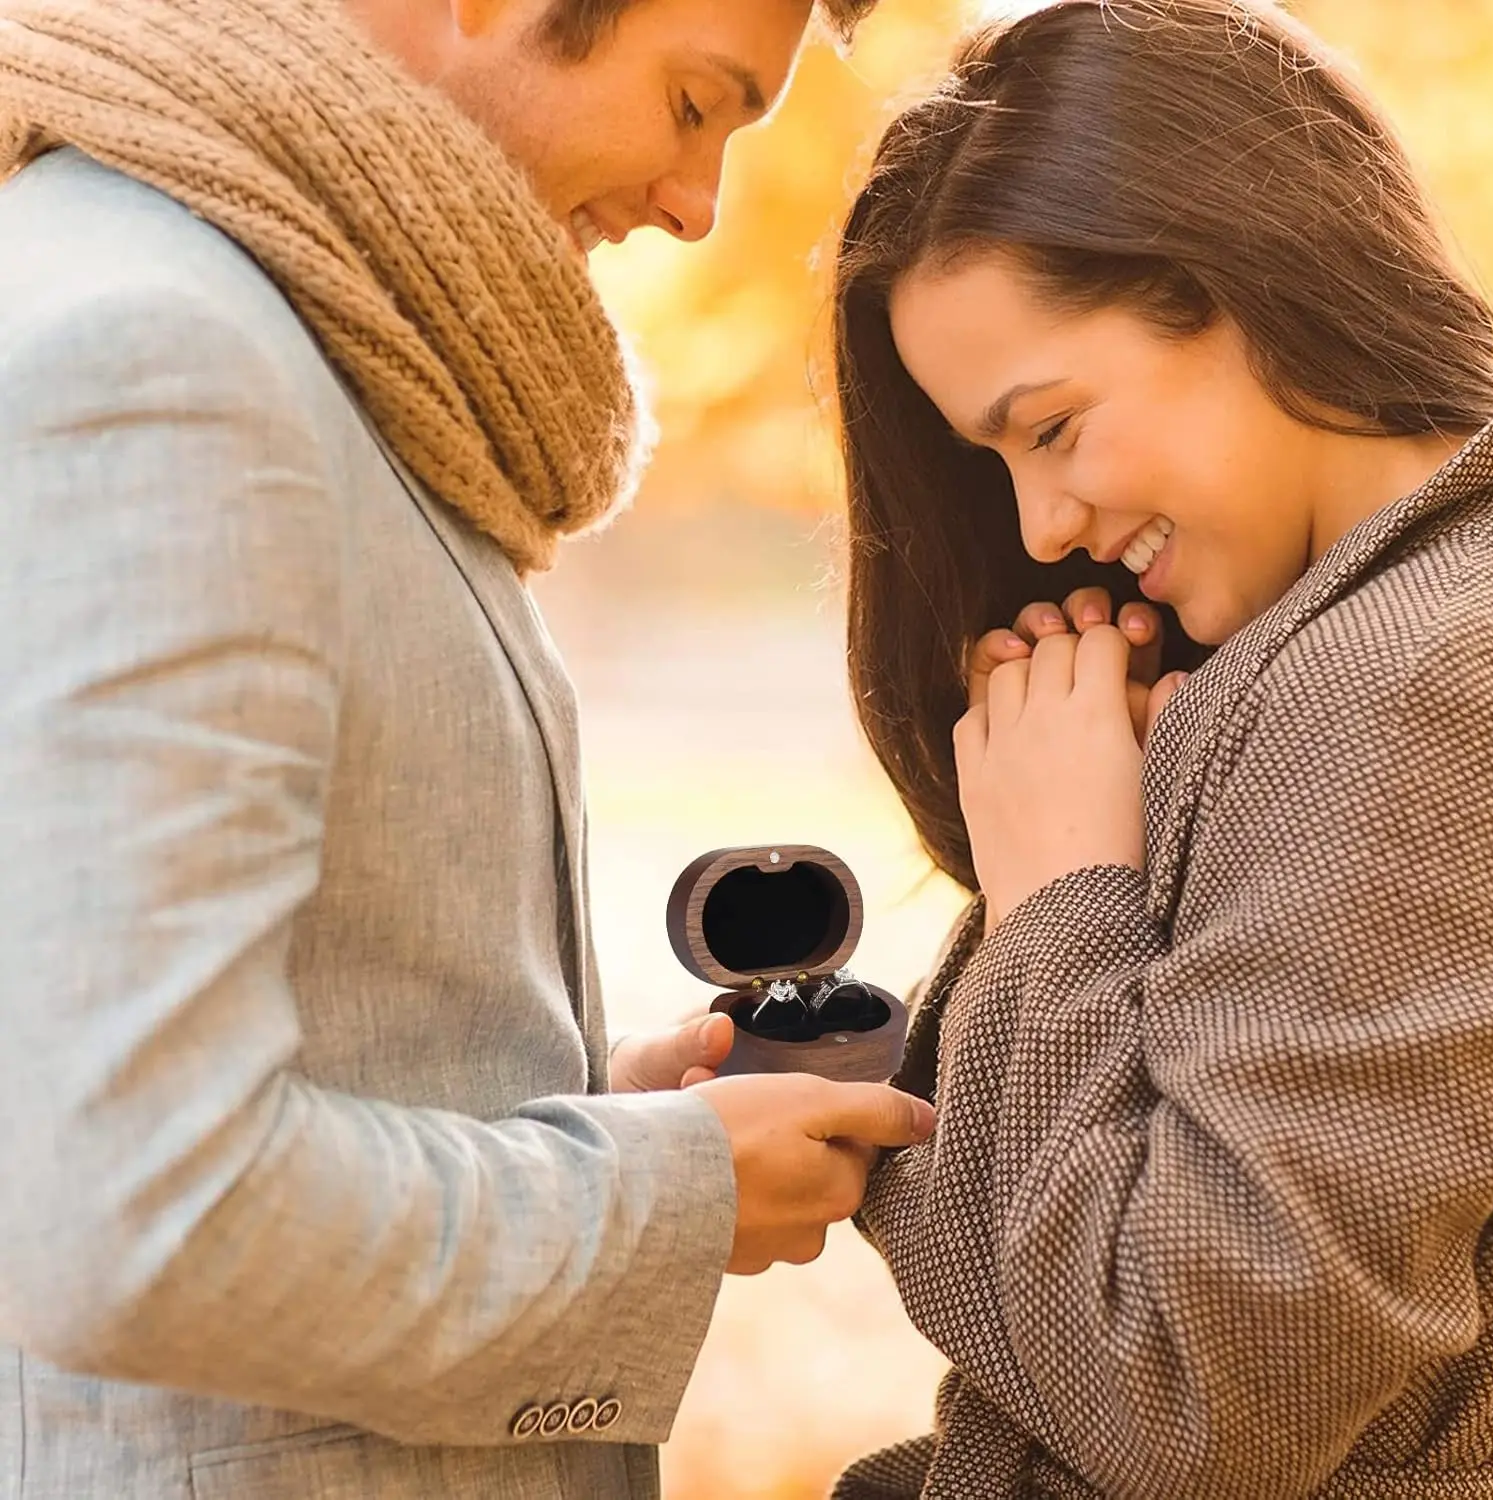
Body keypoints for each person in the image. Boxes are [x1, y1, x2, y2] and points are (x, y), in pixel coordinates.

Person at [0, 1, 937, 1497]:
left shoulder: (312, 339)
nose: (699, 211)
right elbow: (136, 1212)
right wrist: (672, 1194)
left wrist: (587, 1112)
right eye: (696, 107)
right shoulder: (165, 354)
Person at [828, 1, 1493, 1495]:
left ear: (1245, 278)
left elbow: (1189, 1397)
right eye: (989, 461)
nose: (1037, 529)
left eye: (1052, 428)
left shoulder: (1419, 676)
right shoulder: (1323, 660)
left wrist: (1063, 890)